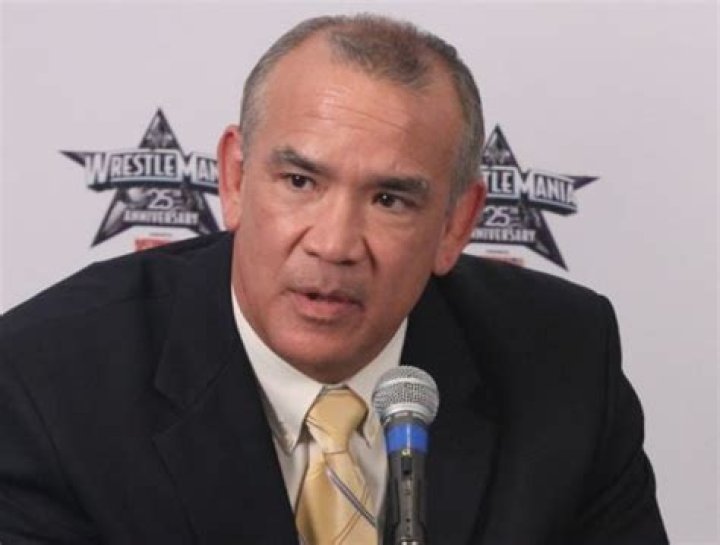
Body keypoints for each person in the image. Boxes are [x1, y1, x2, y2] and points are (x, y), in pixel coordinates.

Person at [0, 14, 668, 545]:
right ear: (233, 179)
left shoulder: (565, 363)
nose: (335, 244)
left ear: (455, 224)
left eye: (390, 199)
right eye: (300, 181)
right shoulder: (49, 384)